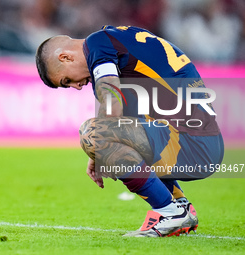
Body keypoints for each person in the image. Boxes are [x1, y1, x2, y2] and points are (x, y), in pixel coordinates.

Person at [35, 25, 224, 237]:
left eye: (66, 81)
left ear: (65, 57)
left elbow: (112, 106)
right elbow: (125, 117)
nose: (76, 87)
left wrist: (98, 143)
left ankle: (169, 213)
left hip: (192, 143)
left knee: (90, 132)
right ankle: (179, 206)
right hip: (201, 142)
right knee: (110, 130)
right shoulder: (117, 39)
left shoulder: (97, 45)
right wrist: (101, 151)